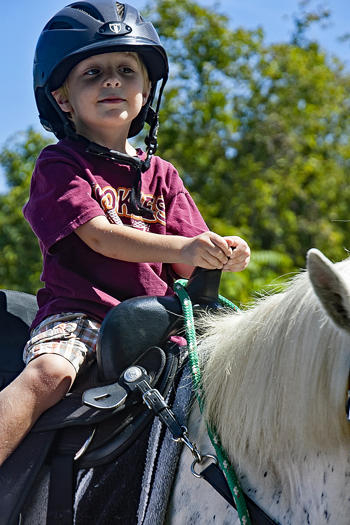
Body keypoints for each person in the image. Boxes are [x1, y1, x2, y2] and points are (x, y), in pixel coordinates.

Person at [0, 0, 250, 466]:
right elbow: (99, 236)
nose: (112, 80)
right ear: (62, 99)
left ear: (146, 89)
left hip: (161, 326)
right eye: (92, 74)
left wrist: (221, 251)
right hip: (83, 317)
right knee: (48, 375)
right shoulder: (60, 165)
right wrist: (187, 245)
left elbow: (184, 262)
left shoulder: (163, 175)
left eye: (125, 70)